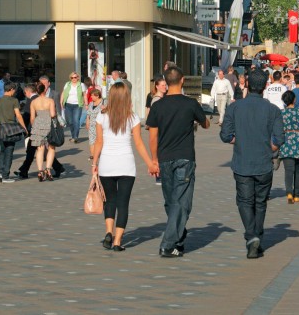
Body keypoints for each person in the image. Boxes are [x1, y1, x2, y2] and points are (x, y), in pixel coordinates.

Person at [220, 70, 285, 259]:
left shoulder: (235, 108)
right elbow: (280, 138)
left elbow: (225, 135)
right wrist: (269, 146)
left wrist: (238, 141)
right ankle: (256, 236)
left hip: (242, 162)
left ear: (247, 84)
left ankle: (251, 236)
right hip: (264, 162)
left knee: (244, 200)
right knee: (260, 202)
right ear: (265, 86)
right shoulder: (273, 110)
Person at [146, 65, 210, 257]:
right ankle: (167, 244)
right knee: (181, 202)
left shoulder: (157, 106)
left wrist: (153, 160)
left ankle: (178, 237)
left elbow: (152, 136)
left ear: (166, 82)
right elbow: (206, 124)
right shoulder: (190, 104)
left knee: (171, 201)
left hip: (164, 159)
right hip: (184, 157)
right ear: (182, 80)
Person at [91, 81, 155, 251]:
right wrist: (150, 163)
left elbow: (99, 142)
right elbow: (139, 143)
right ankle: (118, 242)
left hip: (106, 164)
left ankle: (108, 232)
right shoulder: (132, 117)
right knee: (123, 203)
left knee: (109, 200)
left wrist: (94, 163)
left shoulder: (102, 116)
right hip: (126, 165)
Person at [0, 81, 27, 183]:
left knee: (2, 151)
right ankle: (5, 176)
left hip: (0, 130)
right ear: (11, 90)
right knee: (9, 151)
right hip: (11, 130)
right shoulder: (14, 101)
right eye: (14, 90)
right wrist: (24, 127)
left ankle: (0, 173)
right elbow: (18, 115)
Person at [278, 90, 299, 203]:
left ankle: (289, 193)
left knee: (288, 170)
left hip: (286, 142)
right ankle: (297, 195)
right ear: (294, 100)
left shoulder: (281, 113)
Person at [29, 81, 58, 181]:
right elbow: (53, 114)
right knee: (51, 148)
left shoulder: (33, 102)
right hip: (48, 124)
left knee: (39, 149)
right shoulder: (50, 101)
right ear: (45, 90)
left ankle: (40, 171)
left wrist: (34, 126)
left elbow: (32, 118)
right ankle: (48, 170)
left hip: (38, 125)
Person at [60, 71, 87, 142]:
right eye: (72, 78)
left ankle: (75, 137)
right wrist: (61, 102)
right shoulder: (67, 84)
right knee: (70, 122)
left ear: (78, 78)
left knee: (76, 121)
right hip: (68, 105)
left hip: (77, 105)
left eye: (75, 77)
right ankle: (73, 135)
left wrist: (86, 104)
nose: (73, 79)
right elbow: (63, 93)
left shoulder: (81, 85)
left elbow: (84, 95)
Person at [84, 84, 104, 153]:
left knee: (100, 140)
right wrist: (87, 121)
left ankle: (100, 154)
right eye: (91, 95)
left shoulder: (103, 103)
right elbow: (88, 113)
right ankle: (92, 155)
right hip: (92, 125)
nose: (91, 97)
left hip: (101, 125)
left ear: (97, 96)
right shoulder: (91, 103)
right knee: (91, 140)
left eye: (92, 95)